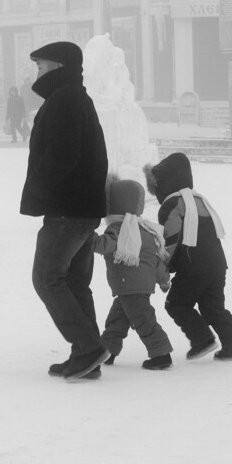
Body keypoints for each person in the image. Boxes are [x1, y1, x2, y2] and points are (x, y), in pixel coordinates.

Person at [20, 41, 110, 381]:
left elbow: (61, 156)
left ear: (57, 67)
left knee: (47, 277)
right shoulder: (75, 98)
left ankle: (88, 348)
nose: (37, 73)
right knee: (74, 282)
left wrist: (41, 191)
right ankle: (86, 356)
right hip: (83, 207)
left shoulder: (65, 100)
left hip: (67, 208)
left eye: (41, 67)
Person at [145, 152, 232, 360]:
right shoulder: (200, 200)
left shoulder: (172, 205)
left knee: (176, 304)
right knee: (213, 308)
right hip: (217, 265)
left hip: (193, 267)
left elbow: (171, 240)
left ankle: (202, 340)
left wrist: (163, 266)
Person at [93, 177, 173, 370]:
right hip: (135, 287)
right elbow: (154, 259)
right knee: (117, 320)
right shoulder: (144, 229)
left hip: (129, 285)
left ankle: (161, 354)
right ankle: (107, 351)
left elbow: (104, 245)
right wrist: (163, 279)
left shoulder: (119, 228)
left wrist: (86, 236)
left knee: (143, 320)